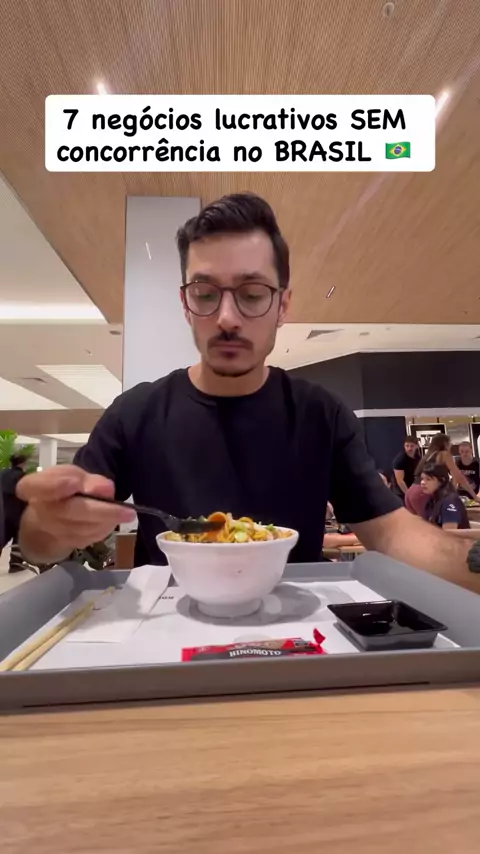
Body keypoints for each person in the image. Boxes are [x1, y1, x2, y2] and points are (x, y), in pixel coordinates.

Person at [12, 193, 480, 591]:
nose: (227, 318)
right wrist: (47, 524)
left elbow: (391, 533)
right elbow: (39, 544)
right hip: (163, 639)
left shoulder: (319, 414)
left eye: (252, 294)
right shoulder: (136, 412)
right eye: (205, 293)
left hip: (296, 637)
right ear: (185, 303)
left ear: (283, 305)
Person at [415, 433, 479, 501]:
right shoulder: (444, 455)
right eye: (449, 443)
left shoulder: (428, 455)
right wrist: (475, 496)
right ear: (445, 444)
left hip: (415, 489)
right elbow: (459, 477)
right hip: (425, 490)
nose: (451, 445)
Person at [420, 462, 470, 530]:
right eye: (422, 479)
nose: (422, 482)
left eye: (428, 479)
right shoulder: (432, 500)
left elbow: (449, 533)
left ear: (441, 481)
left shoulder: (449, 501)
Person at [0, 454, 29, 572]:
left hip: (4, 511)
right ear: (22, 463)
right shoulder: (22, 476)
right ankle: (15, 565)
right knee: (18, 539)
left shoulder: (2, 474)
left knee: (2, 538)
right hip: (18, 512)